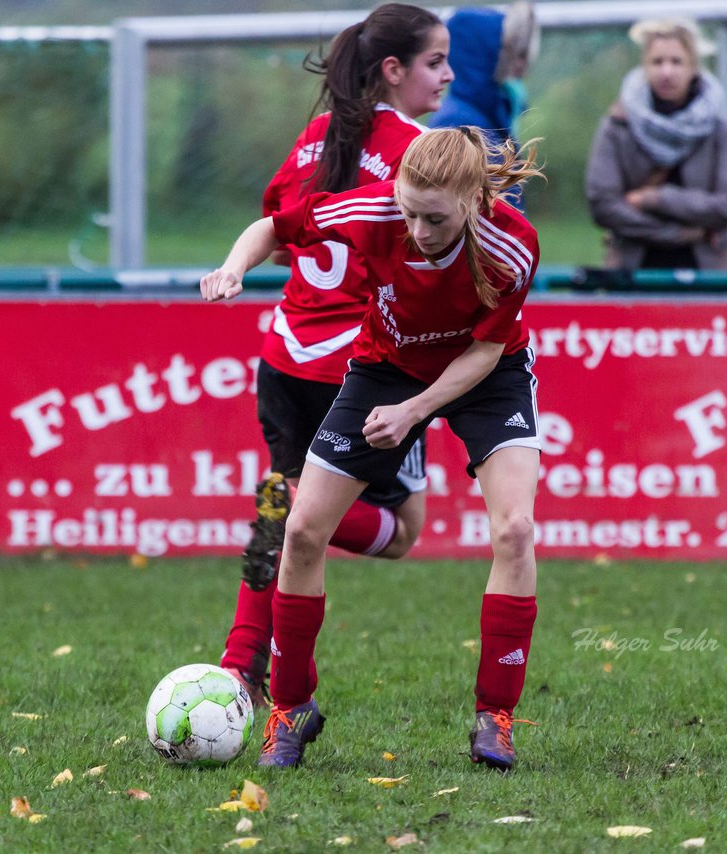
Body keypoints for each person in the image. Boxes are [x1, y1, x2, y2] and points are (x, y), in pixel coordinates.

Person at [201, 126, 543, 772]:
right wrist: (232, 268)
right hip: (385, 368)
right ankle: (291, 709)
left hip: (487, 374)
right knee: (302, 531)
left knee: (516, 530)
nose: (416, 229)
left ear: (473, 200)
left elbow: (487, 349)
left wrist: (415, 411)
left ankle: (494, 717)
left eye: (434, 218)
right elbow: (274, 227)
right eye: (408, 211)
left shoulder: (512, 245)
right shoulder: (376, 207)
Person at [218, 2, 455, 709]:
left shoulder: (319, 134)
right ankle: (283, 517)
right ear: (394, 69)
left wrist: (233, 269)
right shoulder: (417, 149)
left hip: (285, 353)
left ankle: (240, 666)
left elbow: (281, 222)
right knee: (401, 532)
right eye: (435, 62)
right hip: (361, 367)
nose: (447, 75)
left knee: (295, 516)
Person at [584, 17, 727, 270]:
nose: (667, 71)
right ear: (644, 67)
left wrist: (655, 199)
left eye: (676, 61)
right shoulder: (618, 126)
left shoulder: (716, 130)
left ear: (694, 67)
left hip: (707, 279)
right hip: (631, 278)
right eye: (657, 62)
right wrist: (682, 233)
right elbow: (603, 205)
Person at [429, 2, 539, 209]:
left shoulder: (488, 114)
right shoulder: (457, 123)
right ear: (483, 53)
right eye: (506, 52)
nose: (519, 67)